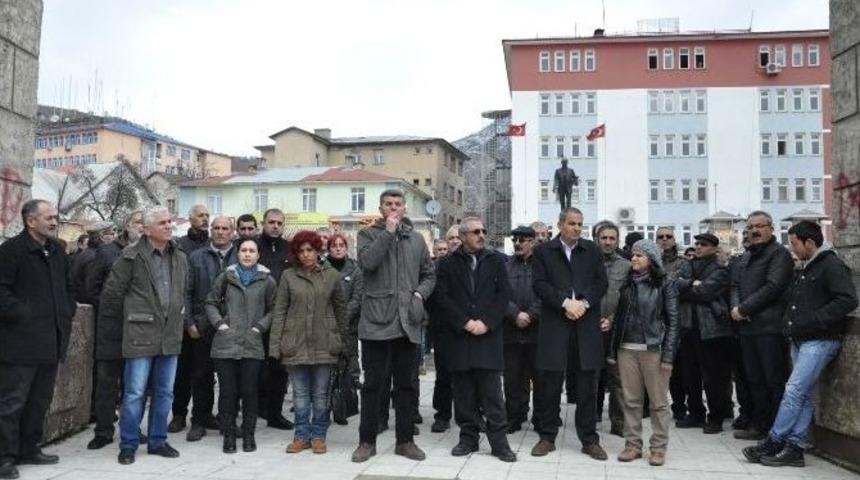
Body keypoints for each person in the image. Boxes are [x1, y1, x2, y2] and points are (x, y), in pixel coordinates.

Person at [742, 221, 858, 467]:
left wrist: (815, 320)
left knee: (793, 391)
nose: (792, 249)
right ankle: (795, 447)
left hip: (820, 340)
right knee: (802, 395)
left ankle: (775, 440)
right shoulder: (808, 266)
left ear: (809, 242)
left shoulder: (831, 265)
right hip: (802, 338)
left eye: (794, 243)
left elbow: (847, 299)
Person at [100, 206, 189, 465]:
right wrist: (129, 323)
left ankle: (158, 441)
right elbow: (112, 297)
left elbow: (183, 291)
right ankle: (128, 444)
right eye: (162, 222)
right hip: (139, 334)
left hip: (170, 335)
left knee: (165, 392)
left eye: (170, 221)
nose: (169, 226)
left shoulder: (179, 256)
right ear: (147, 229)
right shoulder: (130, 256)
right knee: (134, 393)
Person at [351, 189, 436, 463]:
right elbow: (367, 263)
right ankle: (366, 441)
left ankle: (405, 441)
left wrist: (419, 295)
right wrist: (387, 233)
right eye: (388, 204)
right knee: (373, 385)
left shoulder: (416, 239)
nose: (394, 208)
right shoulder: (367, 235)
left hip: (407, 322)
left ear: (405, 208)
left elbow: (428, 274)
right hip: (377, 321)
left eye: (398, 204)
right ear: (381, 208)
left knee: (407, 386)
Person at [0, 200, 76, 479]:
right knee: (11, 403)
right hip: (19, 344)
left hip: (52, 340)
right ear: (30, 221)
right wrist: (24, 314)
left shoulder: (57, 250)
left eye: (56, 217)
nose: (55, 221)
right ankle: (4, 458)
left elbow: (68, 286)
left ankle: (29, 448)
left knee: (39, 400)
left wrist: (67, 311)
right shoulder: (11, 251)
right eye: (49, 217)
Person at [434, 217, 516, 462]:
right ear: (462, 236)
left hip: (488, 338)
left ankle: (500, 444)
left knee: (493, 396)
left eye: (483, 230)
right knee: (463, 394)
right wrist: (465, 322)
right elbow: (442, 298)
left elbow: (504, 296)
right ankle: (468, 439)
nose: (481, 235)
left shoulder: (496, 261)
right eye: (475, 231)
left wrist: (486, 322)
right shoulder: (447, 264)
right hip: (459, 338)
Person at [531, 207, 608, 460]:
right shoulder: (543, 251)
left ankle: (589, 439)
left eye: (580, 224)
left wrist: (583, 304)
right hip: (556, 323)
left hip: (585, 325)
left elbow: (601, 283)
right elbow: (540, 285)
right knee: (550, 383)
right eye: (572, 223)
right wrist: (565, 303)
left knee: (587, 384)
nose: (577, 228)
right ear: (561, 224)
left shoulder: (592, 250)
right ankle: (547, 436)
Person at [270, 231, 348, 454]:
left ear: (317, 251)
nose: (306, 255)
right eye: (301, 251)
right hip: (295, 344)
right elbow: (279, 312)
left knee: (321, 395)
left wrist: (345, 345)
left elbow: (341, 311)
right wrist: (275, 346)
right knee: (300, 394)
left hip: (325, 343)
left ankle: (319, 435)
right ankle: (301, 435)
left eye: (310, 250)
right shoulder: (288, 276)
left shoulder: (331, 276)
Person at [610, 239, 680, 467]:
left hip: (654, 350)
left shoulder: (665, 284)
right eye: (633, 255)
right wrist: (613, 348)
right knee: (630, 401)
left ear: (651, 259)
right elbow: (620, 318)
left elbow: (673, 322)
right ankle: (632, 445)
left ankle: (658, 448)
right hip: (626, 349)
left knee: (658, 403)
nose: (634, 258)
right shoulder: (627, 284)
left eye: (640, 255)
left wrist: (668, 355)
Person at [206, 238, 276, 454]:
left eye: (251, 251)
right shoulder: (226, 276)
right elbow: (210, 302)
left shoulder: (267, 280)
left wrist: (260, 327)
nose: (247, 254)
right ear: (238, 253)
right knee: (228, 392)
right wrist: (220, 324)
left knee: (249, 392)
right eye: (243, 250)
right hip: (226, 344)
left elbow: (274, 309)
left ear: (258, 255)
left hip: (252, 343)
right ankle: (228, 435)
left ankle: (248, 435)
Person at [169, 217, 237, 439]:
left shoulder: (241, 256)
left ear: (232, 232)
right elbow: (185, 292)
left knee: (230, 378)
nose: (220, 232)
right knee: (201, 376)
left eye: (224, 228)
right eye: (215, 228)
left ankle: (228, 421)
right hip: (202, 326)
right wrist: (189, 322)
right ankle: (199, 420)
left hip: (233, 327)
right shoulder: (196, 257)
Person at [730, 211, 793, 441]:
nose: (754, 231)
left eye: (760, 226)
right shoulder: (746, 257)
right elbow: (735, 285)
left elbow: (773, 287)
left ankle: (777, 430)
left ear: (771, 228)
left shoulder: (780, 254)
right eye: (750, 227)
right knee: (753, 379)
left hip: (770, 329)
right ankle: (760, 425)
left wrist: (744, 309)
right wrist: (737, 310)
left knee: (774, 380)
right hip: (747, 329)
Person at [84, 211, 144, 450]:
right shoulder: (106, 252)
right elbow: (92, 289)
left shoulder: (147, 253)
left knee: (135, 385)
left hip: (140, 330)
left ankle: (133, 430)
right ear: (126, 226)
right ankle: (104, 431)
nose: (141, 227)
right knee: (107, 383)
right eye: (137, 223)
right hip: (112, 328)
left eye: (143, 223)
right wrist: (116, 309)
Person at [674, 233, 733, 434]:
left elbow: (706, 292)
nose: (698, 247)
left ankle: (715, 417)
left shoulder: (720, 269)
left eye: (704, 244)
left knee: (713, 377)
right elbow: (673, 285)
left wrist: (689, 288)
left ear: (714, 249)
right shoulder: (687, 265)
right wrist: (692, 284)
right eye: (697, 243)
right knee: (690, 375)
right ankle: (695, 413)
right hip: (688, 327)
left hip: (712, 330)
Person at [257, 208, 294, 431]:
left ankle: (275, 413)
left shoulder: (289, 249)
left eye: (279, 223)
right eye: (271, 222)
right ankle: (253, 411)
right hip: (256, 316)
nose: (275, 226)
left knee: (279, 370)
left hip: (282, 319)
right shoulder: (252, 246)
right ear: (264, 223)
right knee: (255, 369)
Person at [502, 226, 541, 434]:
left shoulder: (543, 266)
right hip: (511, 331)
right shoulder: (506, 266)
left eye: (523, 239)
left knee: (540, 378)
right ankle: (513, 417)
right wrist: (515, 314)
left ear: (533, 242)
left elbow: (547, 293)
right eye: (515, 239)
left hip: (537, 332)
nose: (518, 243)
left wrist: (531, 315)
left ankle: (541, 418)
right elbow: (499, 294)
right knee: (512, 379)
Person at [595, 223, 630, 437]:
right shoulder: (587, 263)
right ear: (597, 239)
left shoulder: (626, 266)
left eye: (612, 238)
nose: (608, 242)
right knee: (591, 377)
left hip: (617, 330)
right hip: (590, 328)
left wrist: (612, 320)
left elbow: (628, 300)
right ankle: (591, 417)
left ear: (617, 241)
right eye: (604, 238)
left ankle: (618, 422)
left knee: (617, 379)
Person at [655, 226, 687, 423]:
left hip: (676, 319)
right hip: (655, 321)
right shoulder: (652, 262)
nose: (665, 239)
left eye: (668, 236)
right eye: (660, 237)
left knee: (678, 369)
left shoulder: (683, 263)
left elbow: (684, 285)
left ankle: (680, 407)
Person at [327, 233, 364, 386]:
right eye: (334, 246)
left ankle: (350, 393)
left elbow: (357, 298)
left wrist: (342, 317)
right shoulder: (321, 268)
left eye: (341, 246)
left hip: (348, 326)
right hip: (326, 325)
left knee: (350, 359)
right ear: (328, 249)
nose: (338, 249)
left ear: (346, 248)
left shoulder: (355, 270)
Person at [72, 221, 115, 303]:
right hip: (89, 306)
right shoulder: (95, 257)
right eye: (111, 234)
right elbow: (92, 288)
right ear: (102, 236)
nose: (114, 237)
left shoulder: (88, 252)